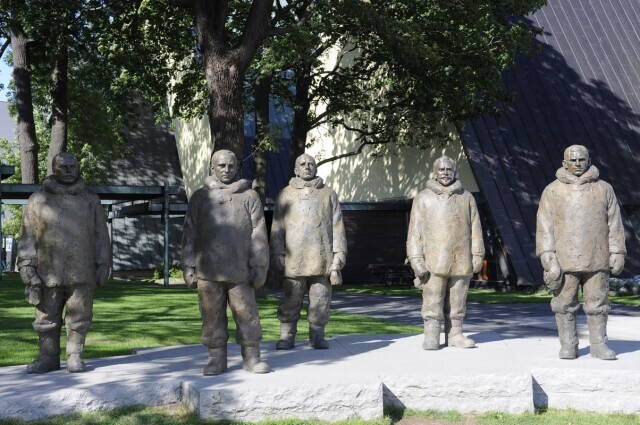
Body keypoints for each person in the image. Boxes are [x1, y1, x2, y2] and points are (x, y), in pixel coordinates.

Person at [18, 152, 111, 373]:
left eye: (72, 166)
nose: (69, 170)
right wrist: (27, 264)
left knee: (79, 314)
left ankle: (75, 355)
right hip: (48, 270)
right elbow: (28, 235)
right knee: (46, 316)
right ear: (54, 169)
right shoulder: (38, 200)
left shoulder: (90, 200)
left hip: (82, 268)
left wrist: (103, 263)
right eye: (63, 166)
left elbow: (101, 234)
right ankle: (48, 357)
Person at [182, 149, 271, 374]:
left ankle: (252, 357)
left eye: (231, 165)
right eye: (221, 166)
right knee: (211, 316)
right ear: (212, 168)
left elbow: (258, 233)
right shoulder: (200, 197)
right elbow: (189, 233)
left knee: (246, 314)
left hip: (240, 270)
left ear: (237, 167)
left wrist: (259, 265)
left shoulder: (250, 196)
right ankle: (216, 359)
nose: (226, 169)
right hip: (208, 270)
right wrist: (188, 265)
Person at [536, 145, 625, 360]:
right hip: (565, 258)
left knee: (598, 304)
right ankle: (568, 345)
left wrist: (617, 251)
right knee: (564, 304)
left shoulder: (604, 188)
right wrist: (547, 253)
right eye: (573, 160)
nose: (577, 164)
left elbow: (614, 222)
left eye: (581, 160)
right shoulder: (552, 190)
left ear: (589, 161)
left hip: (597, 256)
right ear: (564, 163)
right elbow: (544, 224)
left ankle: (599, 345)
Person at [407, 155, 484, 350]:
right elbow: (414, 233)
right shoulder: (423, 197)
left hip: (461, 259)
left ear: (454, 172)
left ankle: (455, 335)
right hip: (434, 261)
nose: (445, 173)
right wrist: (416, 260)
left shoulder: (466, 197)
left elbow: (476, 229)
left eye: (449, 169)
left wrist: (477, 254)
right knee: (432, 301)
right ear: (434, 172)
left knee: (458, 302)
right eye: (441, 169)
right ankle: (431, 335)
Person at [271, 154, 347, 350]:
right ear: (295, 170)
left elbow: (337, 226)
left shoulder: (328, 193)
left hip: (322, 258)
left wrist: (338, 256)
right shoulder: (285, 194)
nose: (307, 167)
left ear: (316, 168)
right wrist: (277, 252)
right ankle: (287, 335)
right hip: (294, 258)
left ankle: (317, 335)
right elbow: (277, 227)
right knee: (291, 299)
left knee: (320, 300)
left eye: (311, 164)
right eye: (302, 164)